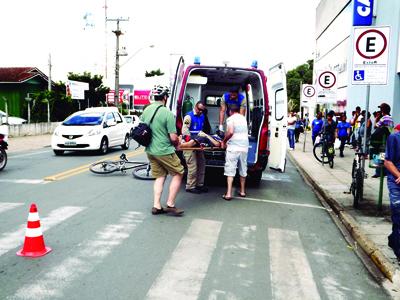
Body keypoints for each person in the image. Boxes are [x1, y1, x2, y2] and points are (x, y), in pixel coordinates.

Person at [140, 85, 184, 216]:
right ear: (165, 97)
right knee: (179, 173)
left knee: (160, 176)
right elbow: (173, 137)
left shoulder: (146, 110)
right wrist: (178, 142)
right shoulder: (167, 113)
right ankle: (170, 204)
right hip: (164, 150)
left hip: (150, 151)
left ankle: (156, 206)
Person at [220, 105, 249, 201]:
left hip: (233, 148)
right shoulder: (243, 119)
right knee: (243, 168)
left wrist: (224, 141)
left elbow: (231, 132)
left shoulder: (230, 119)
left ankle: (228, 194)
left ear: (230, 111)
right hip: (244, 147)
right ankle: (242, 191)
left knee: (230, 170)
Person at [182, 101, 208, 194]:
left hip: (198, 142)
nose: (200, 111)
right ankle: (190, 186)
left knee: (202, 164)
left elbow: (201, 130)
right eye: (199, 109)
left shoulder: (202, 116)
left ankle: (199, 184)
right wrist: (192, 141)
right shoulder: (188, 117)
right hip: (189, 144)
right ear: (195, 107)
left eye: (202, 110)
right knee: (192, 166)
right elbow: (185, 132)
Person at [384, 124, 400, 260]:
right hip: (396, 181)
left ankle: (393, 239)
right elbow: (388, 162)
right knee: (398, 212)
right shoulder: (394, 137)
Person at [371, 102, 394, 178]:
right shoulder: (391, 118)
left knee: (378, 155)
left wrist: (376, 119)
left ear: (383, 110)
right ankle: (383, 172)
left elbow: (375, 126)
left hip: (381, 141)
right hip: (388, 139)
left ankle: (378, 172)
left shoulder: (384, 118)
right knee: (384, 156)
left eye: (381, 109)